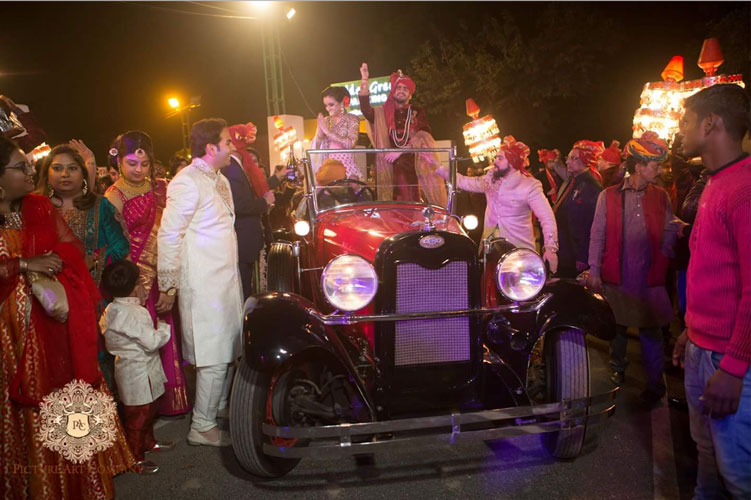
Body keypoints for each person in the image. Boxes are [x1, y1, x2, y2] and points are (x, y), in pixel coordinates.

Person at [0, 135, 135, 498]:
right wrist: (25, 264)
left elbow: (71, 246)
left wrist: (72, 262)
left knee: (73, 384)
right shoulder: (41, 204)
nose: (32, 168)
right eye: (22, 166)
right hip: (8, 334)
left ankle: (78, 480)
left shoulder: (38, 207)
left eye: (70, 168)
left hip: (54, 316)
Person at [672, 84, 751, 499]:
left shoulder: (744, 188)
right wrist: (691, 332)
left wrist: (735, 366)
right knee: (706, 454)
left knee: (738, 475)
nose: (679, 132)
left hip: (729, 359)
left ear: (710, 123)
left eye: (685, 122)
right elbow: (716, 275)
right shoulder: (715, 182)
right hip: (705, 350)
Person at [157, 118, 243, 447]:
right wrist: (169, 283)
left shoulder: (218, 177)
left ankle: (217, 407)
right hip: (203, 284)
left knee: (227, 349)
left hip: (223, 281)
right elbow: (169, 234)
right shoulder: (186, 181)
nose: (232, 146)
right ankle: (201, 426)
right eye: (228, 141)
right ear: (211, 148)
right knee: (213, 353)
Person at [587, 131, 686, 403]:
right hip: (617, 275)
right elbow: (597, 235)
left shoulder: (661, 196)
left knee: (651, 332)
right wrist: (594, 270)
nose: (661, 170)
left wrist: (665, 253)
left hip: (649, 277)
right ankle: (617, 370)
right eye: (656, 165)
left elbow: (668, 228)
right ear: (639, 166)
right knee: (617, 329)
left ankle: (655, 385)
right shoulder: (607, 196)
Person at [104, 131, 190, 417]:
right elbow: (114, 244)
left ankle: (164, 403)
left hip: (161, 270)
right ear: (119, 164)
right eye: (131, 163)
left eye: (144, 163)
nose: (138, 170)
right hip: (133, 277)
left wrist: (169, 284)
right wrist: (134, 283)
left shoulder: (163, 190)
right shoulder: (113, 196)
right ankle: (141, 412)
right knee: (142, 340)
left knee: (163, 329)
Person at [436, 136, 558, 271]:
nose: (495, 161)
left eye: (500, 158)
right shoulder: (490, 180)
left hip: (518, 252)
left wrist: (550, 248)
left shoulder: (529, 185)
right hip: (490, 249)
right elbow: (464, 181)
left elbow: (546, 217)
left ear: (512, 162)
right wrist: (437, 167)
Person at [100, 259, 174, 474]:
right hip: (139, 374)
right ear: (135, 287)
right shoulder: (133, 313)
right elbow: (152, 342)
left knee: (147, 412)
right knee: (137, 419)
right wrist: (163, 327)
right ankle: (135, 459)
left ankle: (149, 443)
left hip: (133, 372)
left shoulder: (112, 308)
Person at [37, 144, 129, 286]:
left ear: (83, 174)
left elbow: (121, 246)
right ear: (46, 174)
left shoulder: (100, 205)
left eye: (72, 168)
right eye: (57, 168)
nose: (64, 174)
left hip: (90, 290)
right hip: (45, 293)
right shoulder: (36, 207)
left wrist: (94, 261)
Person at [358, 63, 446, 205]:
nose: (401, 91)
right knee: (389, 204)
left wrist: (400, 152)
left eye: (405, 89)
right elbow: (366, 110)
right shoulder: (382, 112)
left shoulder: (417, 111)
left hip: (412, 164)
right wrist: (364, 80)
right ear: (393, 92)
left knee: (410, 203)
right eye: (398, 88)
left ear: (410, 95)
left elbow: (424, 133)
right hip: (386, 164)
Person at [223, 122, 280, 300]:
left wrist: (277, 179)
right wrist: (264, 202)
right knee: (245, 288)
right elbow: (239, 205)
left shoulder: (238, 166)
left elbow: (254, 190)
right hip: (243, 236)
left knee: (250, 285)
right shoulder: (232, 169)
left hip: (250, 237)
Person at [553, 140, 604, 278]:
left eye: (573, 158)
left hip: (575, 253)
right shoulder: (572, 181)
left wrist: (583, 255)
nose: (568, 162)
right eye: (568, 157)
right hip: (564, 248)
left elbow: (591, 224)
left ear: (586, 160)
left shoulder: (591, 187)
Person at [312, 86, 362, 180]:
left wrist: (328, 132)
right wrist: (319, 134)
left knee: (353, 186)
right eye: (326, 105)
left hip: (347, 165)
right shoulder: (326, 121)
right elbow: (316, 146)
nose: (328, 109)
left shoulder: (352, 119)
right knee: (319, 191)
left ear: (342, 103)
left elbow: (351, 144)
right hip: (328, 165)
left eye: (331, 105)